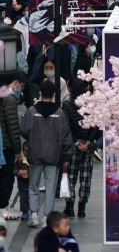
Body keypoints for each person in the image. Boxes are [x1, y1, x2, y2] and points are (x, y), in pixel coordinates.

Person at [21, 80, 73, 228]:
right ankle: (46, 219)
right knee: (50, 188)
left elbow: (24, 130)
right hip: (53, 155)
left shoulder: (32, 111)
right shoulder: (59, 113)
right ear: (54, 94)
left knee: (33, 185)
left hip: (35, 153)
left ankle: (34, 215)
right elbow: (66, 137)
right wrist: (67, 156)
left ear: (40, 93)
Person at [62, 78, 99, 219]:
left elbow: (67, 127)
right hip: (88, 146)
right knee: (86, 177)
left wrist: (76, 143)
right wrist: (88, 142)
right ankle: (82, 207)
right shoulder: (92, 105)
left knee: (71, 177)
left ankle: (69, 206)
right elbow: (95, 126)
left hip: (73, 146)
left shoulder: (67, 105)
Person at [0, 71, 26, 220]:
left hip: (1, 143)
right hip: (6, 145)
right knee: (7, 178)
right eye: (20, 86)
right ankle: (3, 208)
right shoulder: (10, 98)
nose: (20, 89)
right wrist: (17, 149)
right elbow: (13, 126)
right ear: (15, 83)